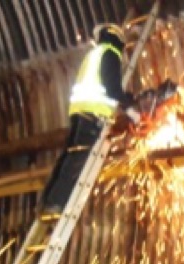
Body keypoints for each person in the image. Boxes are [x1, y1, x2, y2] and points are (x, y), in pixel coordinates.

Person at [41, 23, 140, 215]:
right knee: (78, 160)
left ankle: (49, 199)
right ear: (118, 40)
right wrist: (130, 109)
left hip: (79, 112)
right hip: (93, 114)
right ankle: (59, 203)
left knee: (68, 157)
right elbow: (112, 88)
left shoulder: (93, 54)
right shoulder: (110, 53)